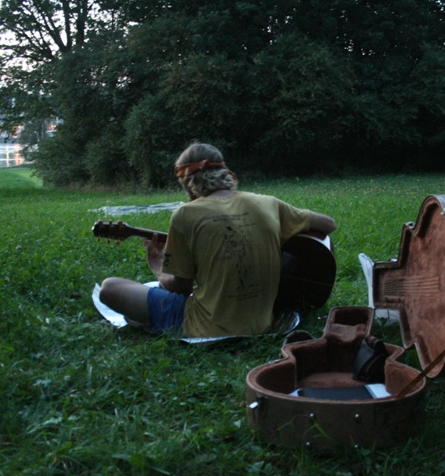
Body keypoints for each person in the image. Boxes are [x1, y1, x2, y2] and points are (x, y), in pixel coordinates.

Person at [99, 142, 337, 338]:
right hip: (264, 323)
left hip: (205, 326)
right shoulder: (269, 203)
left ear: (187, 183)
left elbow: (180, 288)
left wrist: (158, 266)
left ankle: (161, 325)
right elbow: (328, 224)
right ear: (225, 171)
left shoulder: (185, 214)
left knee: (110, 288)